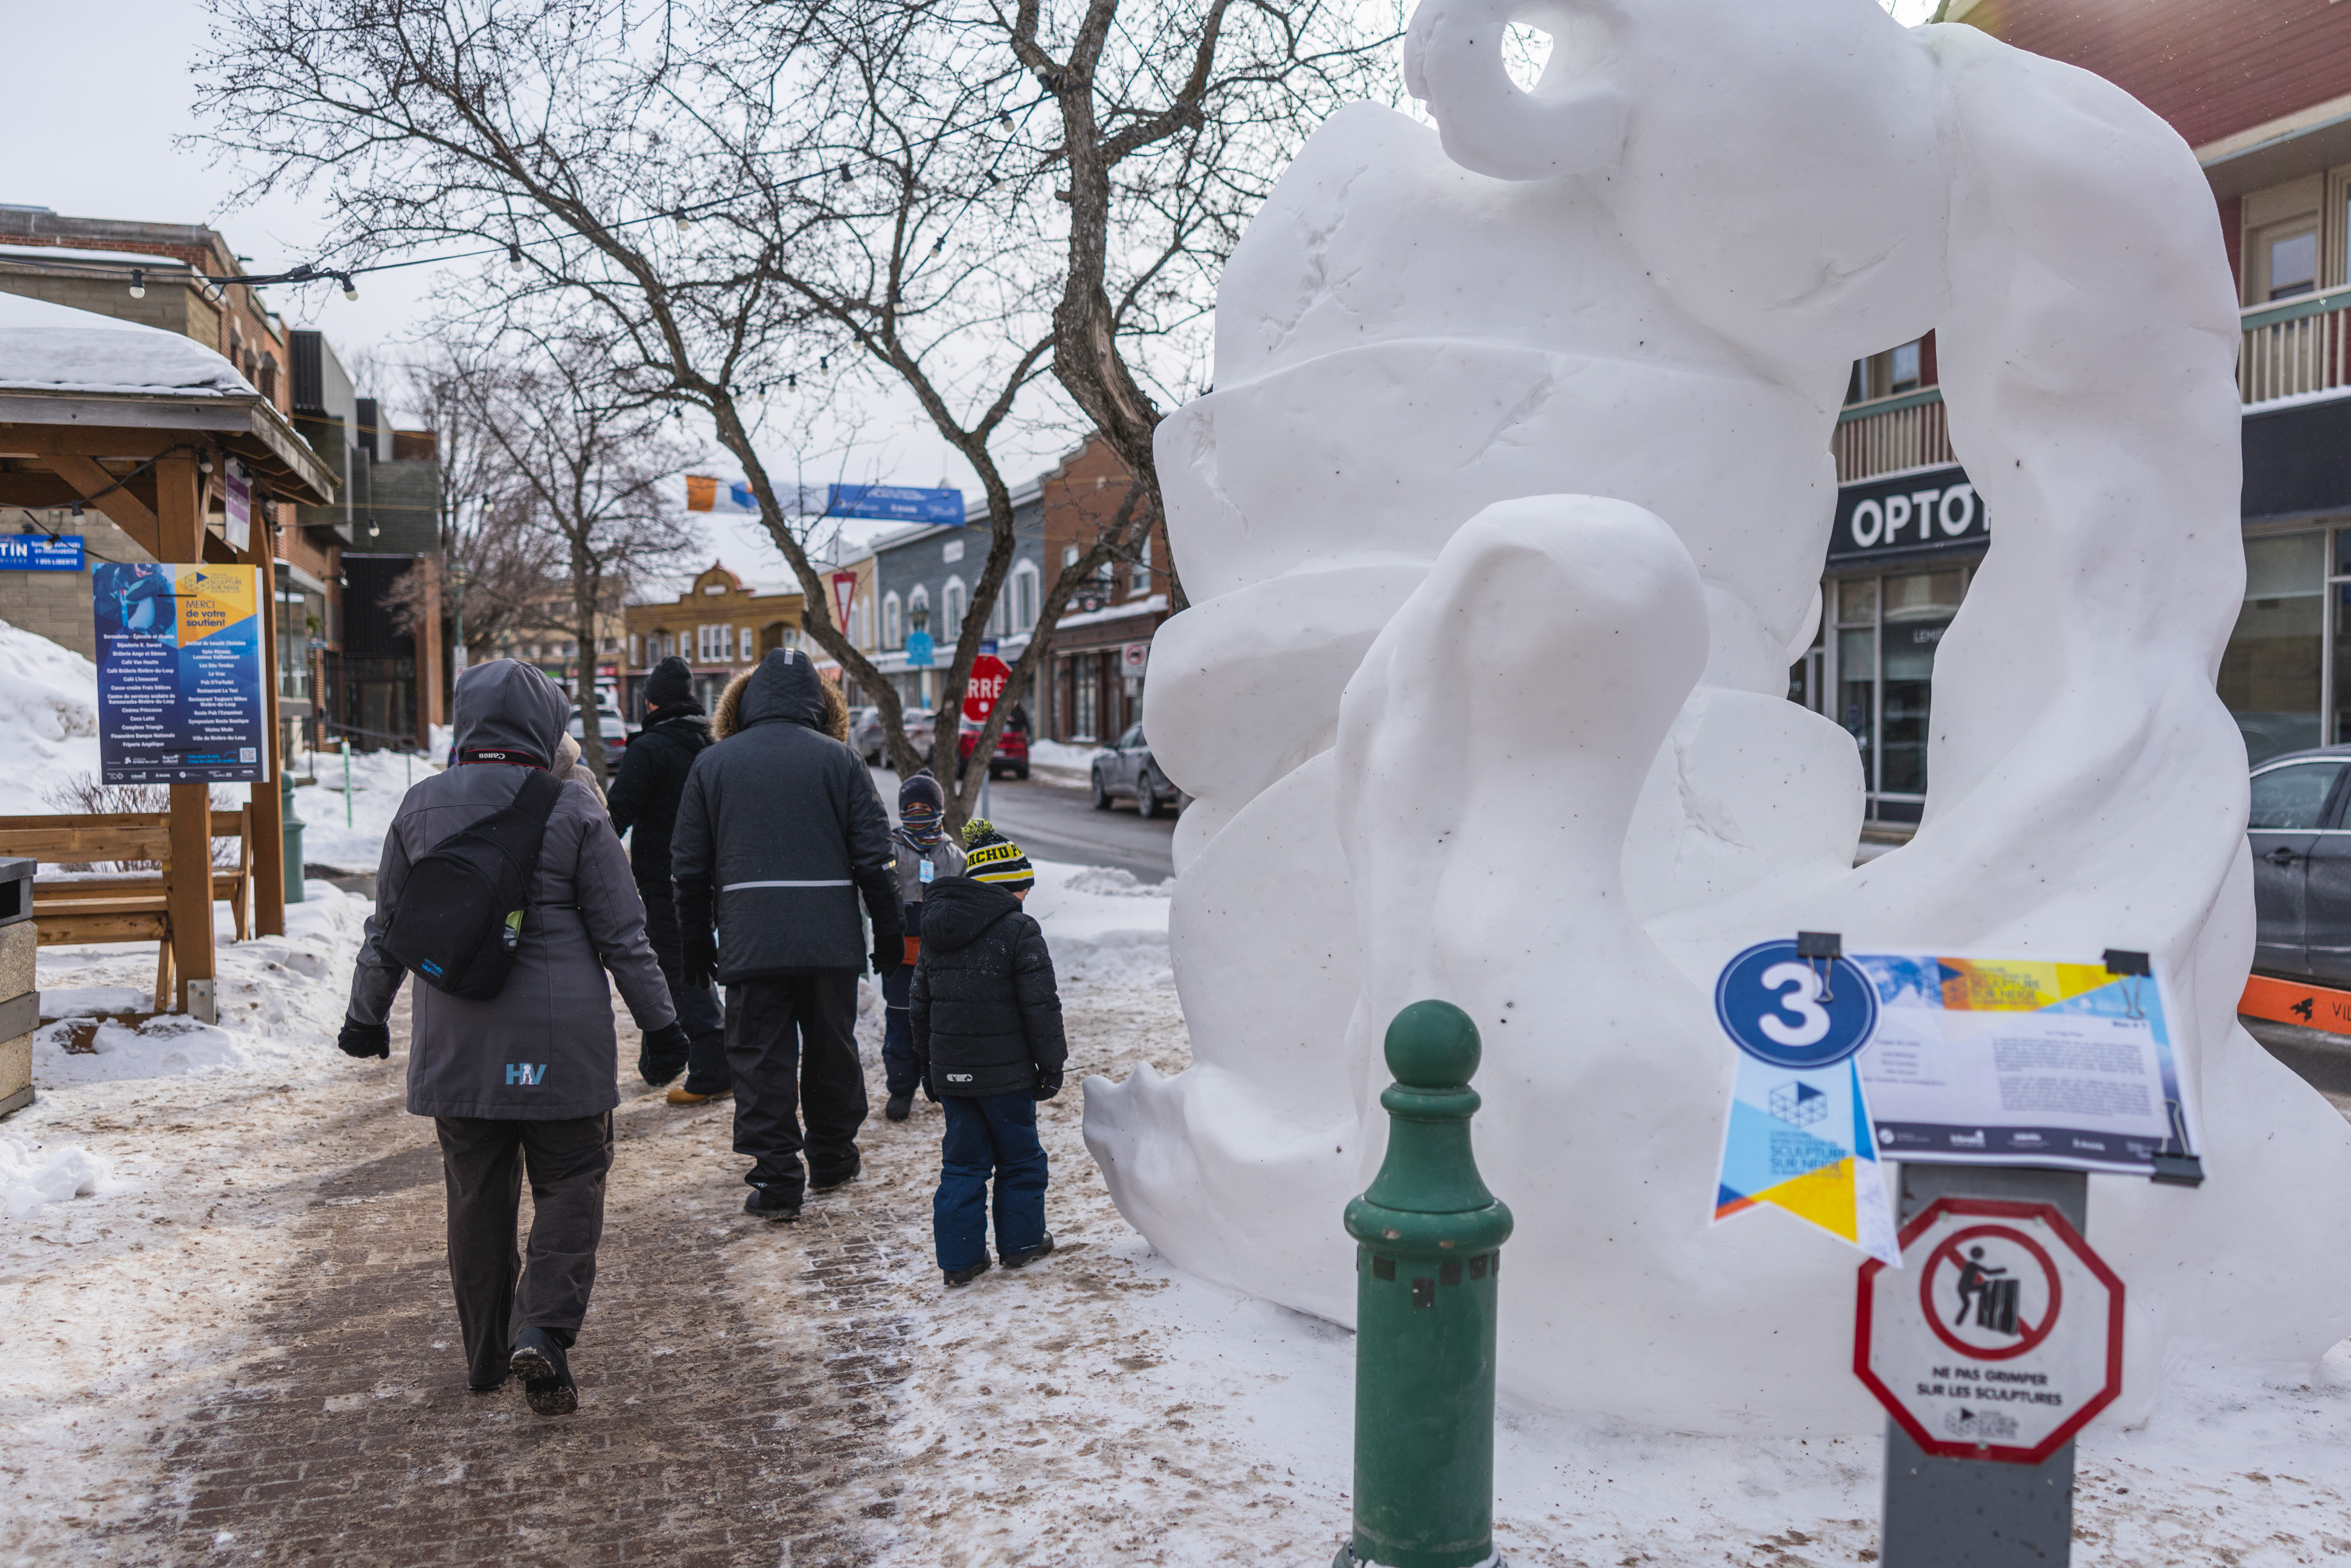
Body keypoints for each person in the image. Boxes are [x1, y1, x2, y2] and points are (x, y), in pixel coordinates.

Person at [338, 659, 686, 1416]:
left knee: (475, 1197)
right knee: (571, 1178)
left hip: (456, 1049)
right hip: (560, 1053)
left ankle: (487, 1355)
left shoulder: (418, 807)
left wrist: (365, 1016)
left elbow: (387, 930)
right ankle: (544, 1327)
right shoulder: (574, 808)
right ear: (546, 724)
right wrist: (661, 1026)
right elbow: (626, 935)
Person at [671, 648, 903, 1222]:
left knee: (759, 1057)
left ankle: (777, 1178)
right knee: (831, 1047)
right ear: (821, 706)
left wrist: (696, 936)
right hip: (829, 942)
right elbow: (875, 856)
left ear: (742, 703)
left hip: (752, 942)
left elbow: (690, 864)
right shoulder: (841, 761)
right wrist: (890, 927)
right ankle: (831, 1155)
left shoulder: (714, 764)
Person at [910, 825, 1067, 1287]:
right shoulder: (1019, 929)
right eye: (1023, 886)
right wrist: (1051, 1064)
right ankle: (1020, 1244)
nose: (1025, 896)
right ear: (1009, 886)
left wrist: (929, 1069)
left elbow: (919, 1007)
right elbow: (1041, 1007)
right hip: (1009, 1079)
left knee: (962, 1163)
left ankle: (960, 1260)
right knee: (1020, 1159)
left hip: (954, 1077)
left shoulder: (936, 929)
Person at [606, 656, 729, 1105]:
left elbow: (615, 815)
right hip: (713, 876)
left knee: (677, 968)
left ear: (651, 701)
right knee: (680, 961)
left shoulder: (651, 748)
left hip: (666, 878)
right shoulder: (713, 744)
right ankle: (662, 1059)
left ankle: (713, 1062)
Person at [881, 770, 965, 1123]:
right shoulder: (889, 852)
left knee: (941, 1022)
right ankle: (901, 1087)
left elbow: (968, 903)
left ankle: (945, 1083)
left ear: (939, 810)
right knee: (901, 1020)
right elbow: (869, 897)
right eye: (910, 807)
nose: (917, 812)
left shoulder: (953, 856)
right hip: (900, 957)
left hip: (941, 956)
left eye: (925, 806)